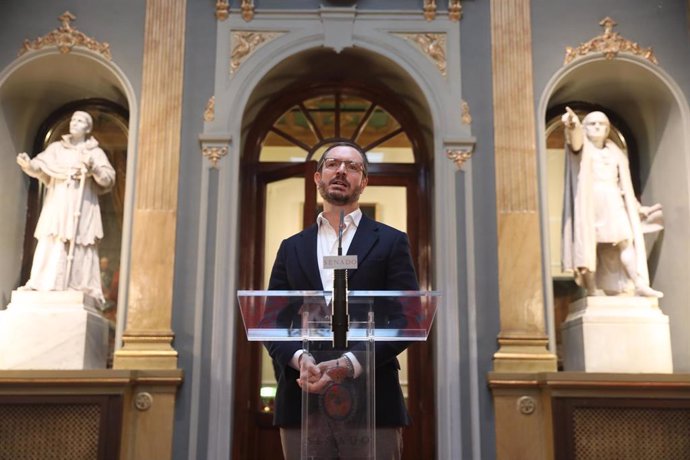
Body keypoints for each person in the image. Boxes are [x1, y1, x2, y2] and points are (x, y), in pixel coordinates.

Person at [265, 142, 419, 460]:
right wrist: (299, 359)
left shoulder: (391, 241)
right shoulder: (291, 247)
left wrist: (348, 364)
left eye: (352, 167)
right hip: (302, 397)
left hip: (373, 400)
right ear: (318, 177)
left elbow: (408, 319)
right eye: (333, 164)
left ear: (363, 182)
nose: (341, 171)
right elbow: (270, 322)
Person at [561, 107, 663, 298]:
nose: (597, 127)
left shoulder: (616, 153)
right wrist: (573, 125)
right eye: (592, 124)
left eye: (602, 124)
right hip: (591, 202)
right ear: (585, 128)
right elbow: (574, 141)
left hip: (614, 200)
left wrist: (638, 207)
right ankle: (591, 289)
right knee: (591, 246)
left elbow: (623, 186)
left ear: (608, 129)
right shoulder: (582, 148)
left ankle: (638, 283)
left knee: (626, 240)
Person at [16, 110, 116, 304]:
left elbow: (108, 178)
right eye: (73, 120)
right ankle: (41, 281)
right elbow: (40, 165)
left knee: (80, 242)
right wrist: (28, 165)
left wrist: (93, 167)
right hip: (59, 201)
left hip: (82, 203)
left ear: (87, 128)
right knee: (51, 237)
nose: (74, 123)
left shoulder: (94, 152)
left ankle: (78, 283)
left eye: (80, 121)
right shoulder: (56, 149)